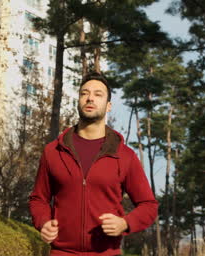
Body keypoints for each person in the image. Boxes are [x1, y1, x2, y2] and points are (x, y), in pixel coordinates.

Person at [29, 71, 158, 256]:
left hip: (106, 252)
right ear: (78, 101)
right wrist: (43, 221)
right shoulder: (53, 151)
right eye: (84, 93)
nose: (90, 98)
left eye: (98, 94)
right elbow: (38, 199)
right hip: (61, 252)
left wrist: (125, 223)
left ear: (108, 106)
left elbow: (148, 205)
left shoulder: (124, 156)